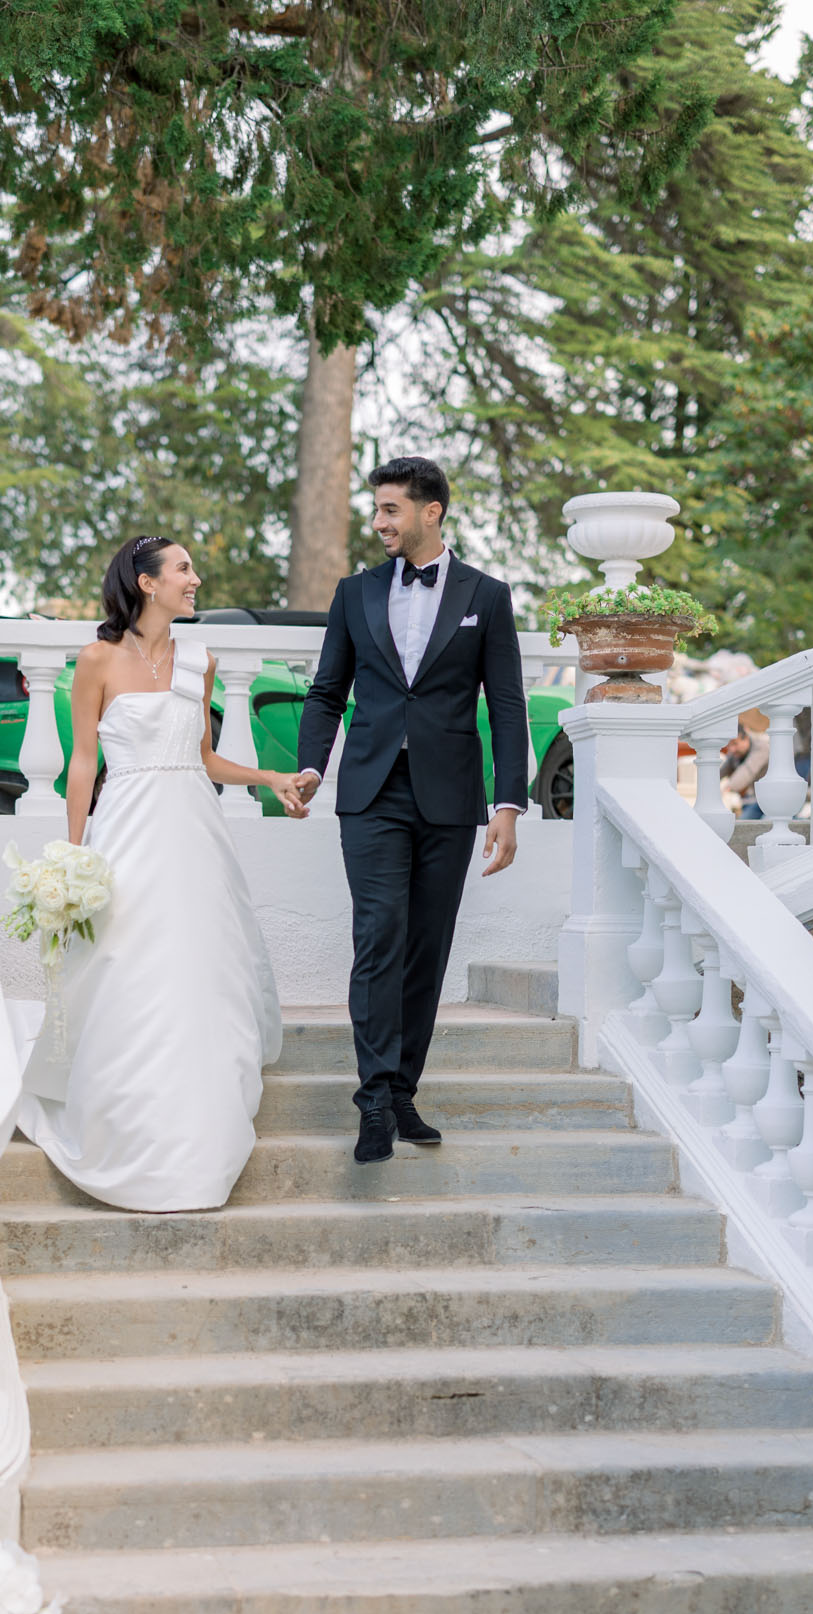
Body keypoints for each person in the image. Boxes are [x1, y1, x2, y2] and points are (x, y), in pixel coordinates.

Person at [14, 535, 309, 1211]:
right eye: (182, 569)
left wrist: (267, 774)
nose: (194, 579)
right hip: (126, 826)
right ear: (146, 582)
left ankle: (199, 1102)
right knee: (129, 960)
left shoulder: (197, 661)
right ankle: (124, 1101)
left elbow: (202, 757)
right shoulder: (95, 660)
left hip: (192, 828)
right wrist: (75, 852)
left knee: (201, 957)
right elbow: (83, 761)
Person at [295, 456, 529, 1164]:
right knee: (379, 936)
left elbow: (508, 704)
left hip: (449, 797)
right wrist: (312, 764)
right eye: (376, 510)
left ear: (431, 512)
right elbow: (326, 691)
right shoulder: (354, 591)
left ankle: (402, 1090)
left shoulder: (485, 596)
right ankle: (371, 1099)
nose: (378, 523)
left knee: (426, 947)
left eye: (390, 509)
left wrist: (508, 802)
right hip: (368, 793)